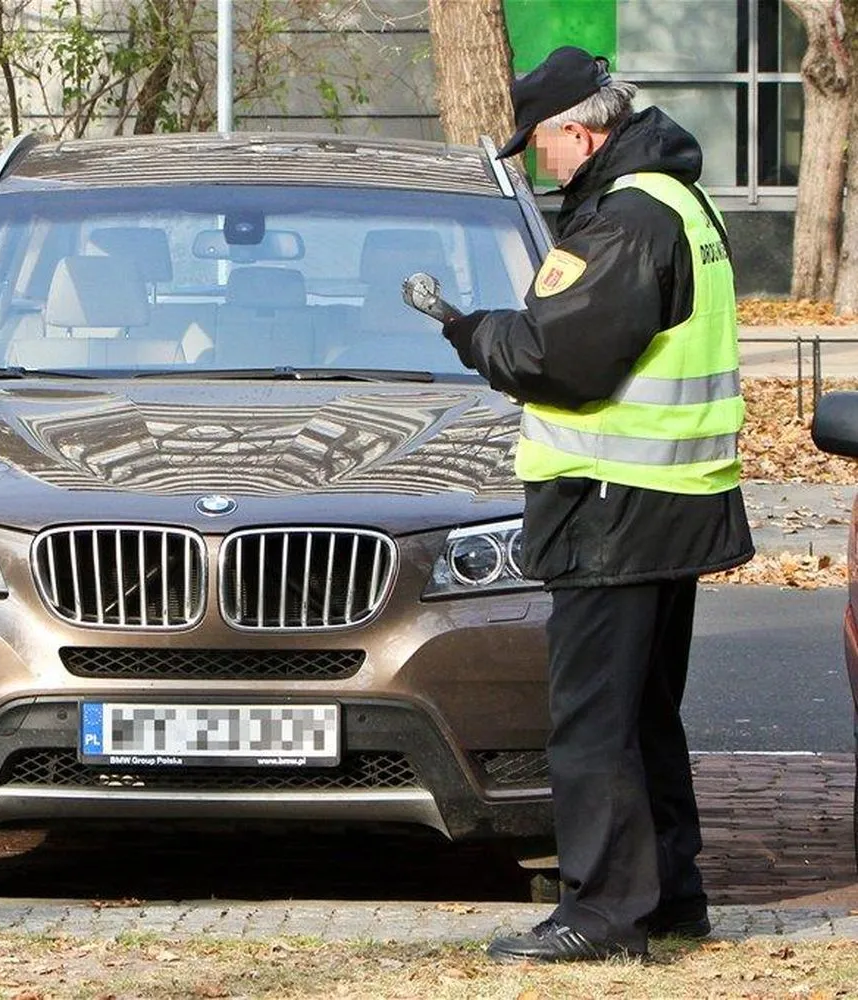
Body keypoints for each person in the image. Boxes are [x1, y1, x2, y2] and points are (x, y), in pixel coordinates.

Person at [438, 46, 755, 962]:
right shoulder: (677, 203)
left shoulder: (623, 222)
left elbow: (555, 360)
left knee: (592, 720)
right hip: (669, 497)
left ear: (577, 129)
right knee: (644, 711)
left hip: (612, 504)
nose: (537, 160)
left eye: (538, 143)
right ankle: (669, 896)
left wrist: (472, 329)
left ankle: (604, 913)